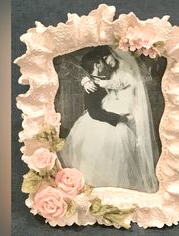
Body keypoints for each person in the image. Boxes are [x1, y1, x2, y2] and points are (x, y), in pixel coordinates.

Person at [59, 49, 142, 190]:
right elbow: (94, 113)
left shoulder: (101, 79)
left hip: (107, 119)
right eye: (102, 62)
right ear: (97, 65)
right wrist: (119, 118)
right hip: (100, 123)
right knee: (101, 156)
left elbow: (114, 84)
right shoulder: (91, 86)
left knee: (112, 158)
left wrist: (86, 79)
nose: (104, 64)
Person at [81, 47, 159, 193]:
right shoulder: (113, 71)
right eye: (102, 60)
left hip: (129, 111)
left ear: (114, 54)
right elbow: (100, 83)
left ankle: (124, 184)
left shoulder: (128, 70)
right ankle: (109, 185)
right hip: (114, 114)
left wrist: (95, 82)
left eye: (106, 58)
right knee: (110, 152)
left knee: (129, 148)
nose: (105, 62)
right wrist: (86, 80)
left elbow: (118, 84)